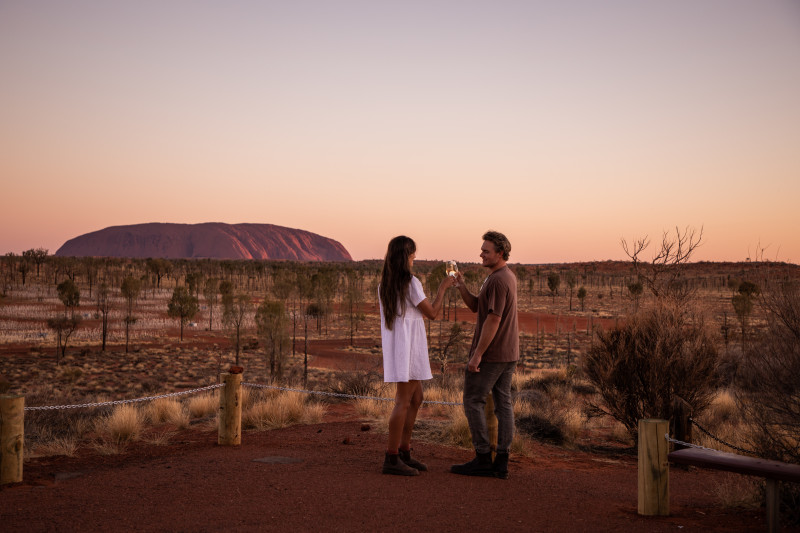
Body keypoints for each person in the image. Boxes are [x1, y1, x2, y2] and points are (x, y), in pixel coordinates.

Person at [378, 236, 454, 476]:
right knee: (403, 401)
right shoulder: (410, 282)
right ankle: (391, 458)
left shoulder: (386, 283)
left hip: (403, 345)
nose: (415, 257)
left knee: (416, 397)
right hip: (408, 347)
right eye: (412, 253)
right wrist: (443, 287)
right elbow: (431, 313)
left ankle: (404, 451)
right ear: (406, 255)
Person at [450, 230, 519, 479]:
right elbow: (478, 307)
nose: (481, 253)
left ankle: (482, 458)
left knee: (473, 400)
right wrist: (462, 287)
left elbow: (493, 319)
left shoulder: (499, 280)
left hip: (493, 354)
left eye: (486, 250)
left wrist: (477, 354)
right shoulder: (501, 276)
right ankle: (501, 461)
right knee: (503, 403)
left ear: (500, 253)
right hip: (508, 352)